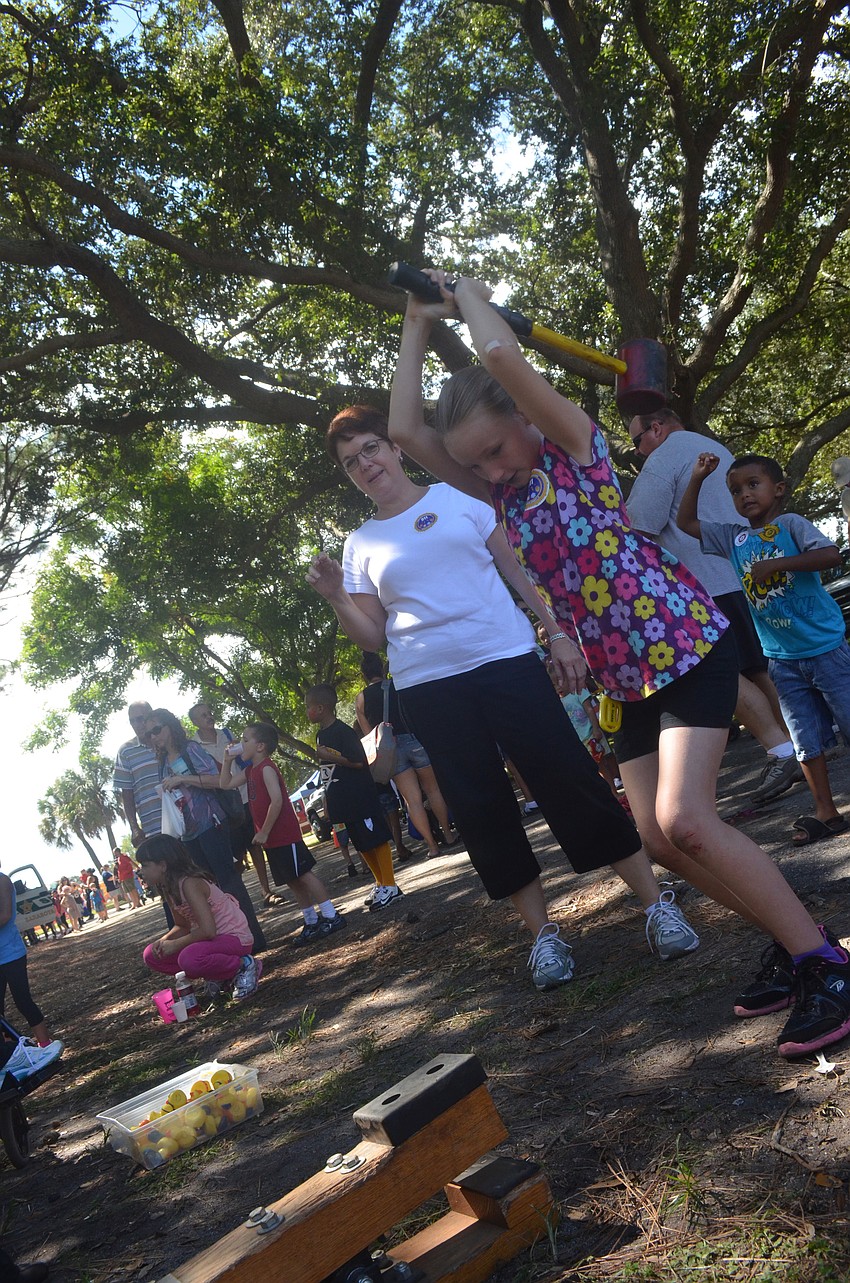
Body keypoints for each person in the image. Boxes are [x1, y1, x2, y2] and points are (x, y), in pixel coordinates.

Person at [386, 266, 850, 1057]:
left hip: (683, 645)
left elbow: (499, 354)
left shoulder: (576, 448)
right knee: (662, 842)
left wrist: (463, 291)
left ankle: (825, 963)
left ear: (526, 420)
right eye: (480, 462)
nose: (494, 468)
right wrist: (415, 318)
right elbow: (403, 431)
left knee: (684, 819)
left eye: (498, 447)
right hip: (624, 679)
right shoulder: (498, 497)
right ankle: (793, 936)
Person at [307, 406, 700, 988]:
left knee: (568, 777)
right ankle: (542, 937)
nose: (364, 464)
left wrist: (559, 633)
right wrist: (338, 596)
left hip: (506, 661)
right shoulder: (359, 543)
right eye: (350, 462)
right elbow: (371, 634)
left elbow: (521, 572)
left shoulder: (459, 499)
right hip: (428, 686)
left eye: (370, 448)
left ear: (393, 448)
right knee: (482, 806)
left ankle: (655, 904)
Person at [627, 408, 802, 805]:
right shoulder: (713, 445)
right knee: (761, 668)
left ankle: (783, 752)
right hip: (743, 574)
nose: (637, 453)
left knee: (719, 670)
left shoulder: (663, 456)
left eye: (637, 441)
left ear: (656, 428)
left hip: (702, 585)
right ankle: (804, 749)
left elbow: (637, 528)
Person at [678, 452, 850, 847]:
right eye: (736, 490)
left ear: (779, 489)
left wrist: (777, 566)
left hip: (825, 649)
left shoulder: (790, 525)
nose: (744, 495)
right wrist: (697, 478)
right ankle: (826, 812)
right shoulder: (733, 539)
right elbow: (686, 523)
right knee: (805, 740)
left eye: (753, 485)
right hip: (782, 660)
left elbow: (830, 555)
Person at [146, 708, 266, 955]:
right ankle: (227, 941)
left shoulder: (190, 749)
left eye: (156, 729)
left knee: (230, 881)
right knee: (208, 889)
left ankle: (252, 938)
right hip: (187, 832)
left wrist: (183, 780)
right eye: (149, 734)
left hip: (211, 823)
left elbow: (218, 780)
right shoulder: (161, 762)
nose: (153, 736)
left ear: (170, 726)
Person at [220, 723, 345, 944]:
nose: (241, 744)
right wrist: (227, 760)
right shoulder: (249, 771)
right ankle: (311, 920)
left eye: (245, 739)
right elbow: (225, 783)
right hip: (271, 840)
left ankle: (331, 915)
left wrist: (265, 831)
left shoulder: (267, 768)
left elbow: (277, 800)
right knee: (291, 879)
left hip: (283, 834)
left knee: (304, 874)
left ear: (260, 746)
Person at [305, 685, 405, 911]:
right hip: (341, 797)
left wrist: (330, 755)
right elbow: (327, 770)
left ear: (321, 708)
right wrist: (328, 799)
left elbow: (358, 762)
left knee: (375, 838)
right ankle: (380, 883)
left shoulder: (343, 732)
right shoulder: (321, 734)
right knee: (361, 842)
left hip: (359, 794)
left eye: (308, 707)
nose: (307, 712)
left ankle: (390, 884)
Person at [356, 652, 459, 860]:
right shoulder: (398, 685)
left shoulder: (361, 699)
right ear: (382, 669)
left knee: (412, 800)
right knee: (433, 790)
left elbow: (368, 735)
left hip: (390, 750)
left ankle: (432, 846)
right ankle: (448, 835)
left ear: (364, 674)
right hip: (413, 739)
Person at [138, 835, 261, 1002]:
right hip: (210, 942)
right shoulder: (168, 887)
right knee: (151, 955)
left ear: (162, 865)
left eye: (144, 865)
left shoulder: (190, 884)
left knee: (189, 958)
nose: (140, 871)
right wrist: (164, 940)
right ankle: (219, 974)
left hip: (234, 938)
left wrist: (175, 945)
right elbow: (182, 925)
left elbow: (208, 931)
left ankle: (243, 965)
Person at [189, 702, 284, 907]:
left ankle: (266, 891)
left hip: (245, 796)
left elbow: (247, 761)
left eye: (209, 712)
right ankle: (237, 898)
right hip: (222, 804)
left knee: (256, 847)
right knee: (234, 854)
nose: (209, 716)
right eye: (203, 715)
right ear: (195, 722)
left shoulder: (226, 735)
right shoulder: (194, 746)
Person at [0, 862, 64, 1081]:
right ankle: (11, 1055)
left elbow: (5, 915)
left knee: (23, 1000)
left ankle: (44, 1046)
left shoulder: (2, 880)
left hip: (11, 953)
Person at [113, 701, 161, 848]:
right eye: (132, 721)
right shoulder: (126, 752)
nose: (136, 724)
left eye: (140, 719)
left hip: (188, 821)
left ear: (151, 717)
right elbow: (127, 795)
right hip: (154, 828)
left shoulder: (167, 740)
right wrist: (134, 828)